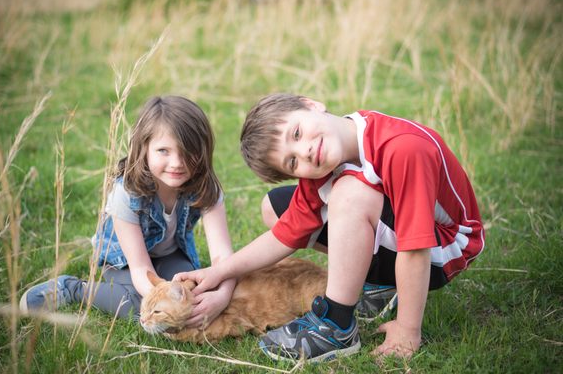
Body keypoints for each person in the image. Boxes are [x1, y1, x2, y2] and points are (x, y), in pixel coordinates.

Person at [175, 93, 484, 362]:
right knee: (277, 209)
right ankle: (380, 287)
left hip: (444, 248)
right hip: (396, 234)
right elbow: (285, 236)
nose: (305, 152)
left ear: (312, 105)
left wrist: (407, 329)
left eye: (296, 133)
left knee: (349, 194)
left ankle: (337, 325)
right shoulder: (324, 162)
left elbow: (415, 248)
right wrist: (220, 271)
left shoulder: (401, 148)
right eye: (293, 163)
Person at [20, 96, 235, 328]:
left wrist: (221, 297)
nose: (176, 163)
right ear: (144, 149)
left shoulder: (205, 187)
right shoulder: (126, 192)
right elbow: (140, 267)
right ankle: (72, 289)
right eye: (163, 150)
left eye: (187, 152)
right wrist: (161, 298)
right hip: (122, 261)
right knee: (139, 302)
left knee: (189, 298)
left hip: (170, 254)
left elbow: (223, 259)